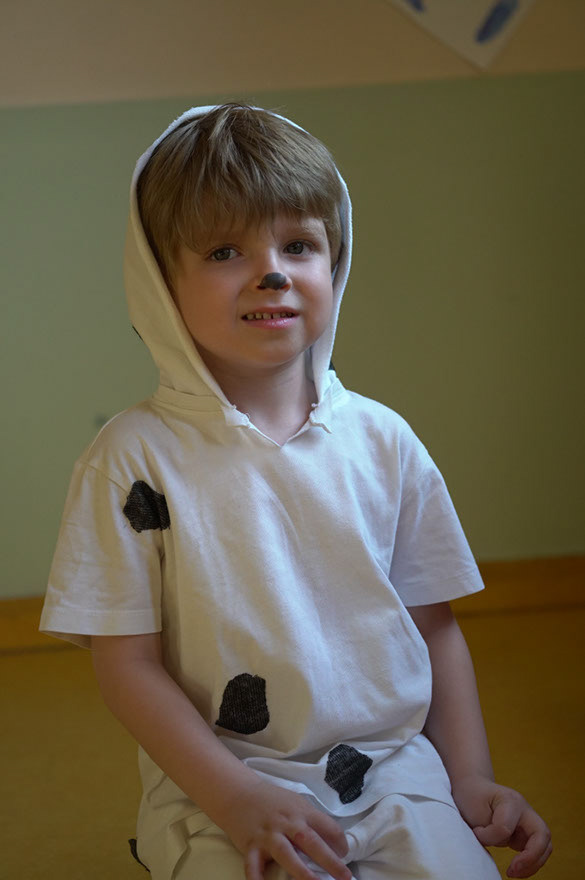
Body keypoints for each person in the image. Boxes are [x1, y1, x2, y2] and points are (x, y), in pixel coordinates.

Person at [40, 103, 551, 880]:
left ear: (332, 261)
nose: (272, 272)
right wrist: (235, 797)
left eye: (299, 245)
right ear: (158, 284)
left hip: (397, 774)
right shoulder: (131, 459)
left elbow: (434, 627)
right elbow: (127, 666)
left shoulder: (383, 441)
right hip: (219, 787)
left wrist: (468, 777)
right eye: (224, 250)